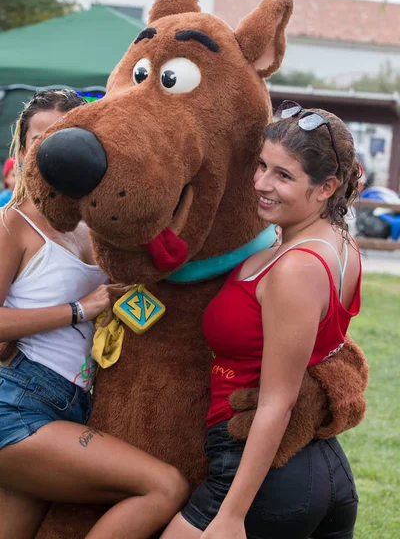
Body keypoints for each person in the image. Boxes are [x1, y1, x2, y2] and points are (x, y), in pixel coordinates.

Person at [161, 101, 363, 539]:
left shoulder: (298, 267)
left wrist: (230, 514)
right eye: (261, 166)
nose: (261, 183)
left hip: (258, 472)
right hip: (319, 463)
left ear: (327, 187)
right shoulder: (339, 244)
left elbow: (277, 401)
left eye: (283, 175)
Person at [0, 90, 189, 539]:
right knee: (163, 487)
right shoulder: (12, 224)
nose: (50, 150)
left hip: (69, 405)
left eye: (66, 136)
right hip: (20, 404)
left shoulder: (95, 227)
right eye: (39, 139)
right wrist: (80, 309)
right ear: (23, 149)